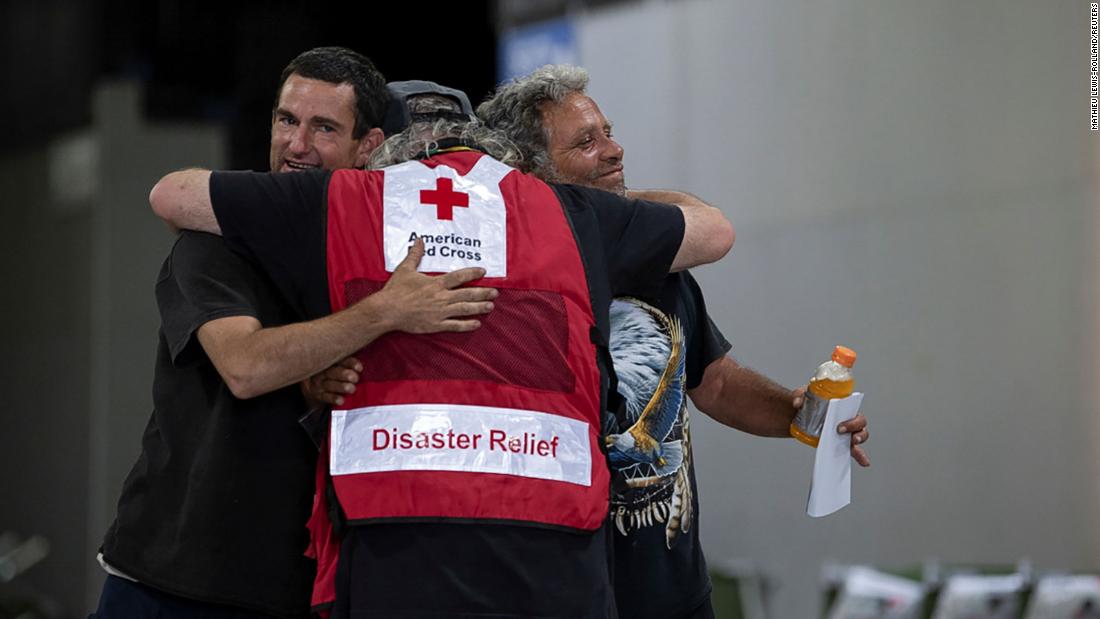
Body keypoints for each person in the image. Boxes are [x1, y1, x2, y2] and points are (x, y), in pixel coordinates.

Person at [148, 82, 733, 619]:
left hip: (399, 533)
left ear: (378, 149)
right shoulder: (568, 213)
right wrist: (600, 201)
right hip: (553, 538)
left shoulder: (342, 199)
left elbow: (172, 195)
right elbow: (714, 232)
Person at [91, 48, 496, 619]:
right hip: (173, 584)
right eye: (287, 120)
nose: (296, 145)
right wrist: (381, 313)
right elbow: (247, 367)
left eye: (323, 127)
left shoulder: (395, 258)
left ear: (369, 145)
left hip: (307, 585)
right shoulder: (215, 239)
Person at [476, 64, 870, 619]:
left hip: (673, 595)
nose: (614, 150)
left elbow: (717, 384)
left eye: (608, 131)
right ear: (529, 171)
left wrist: (797, 412)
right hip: (558, 592)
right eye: (586, 142)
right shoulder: (506, 281)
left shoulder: (656, 264)